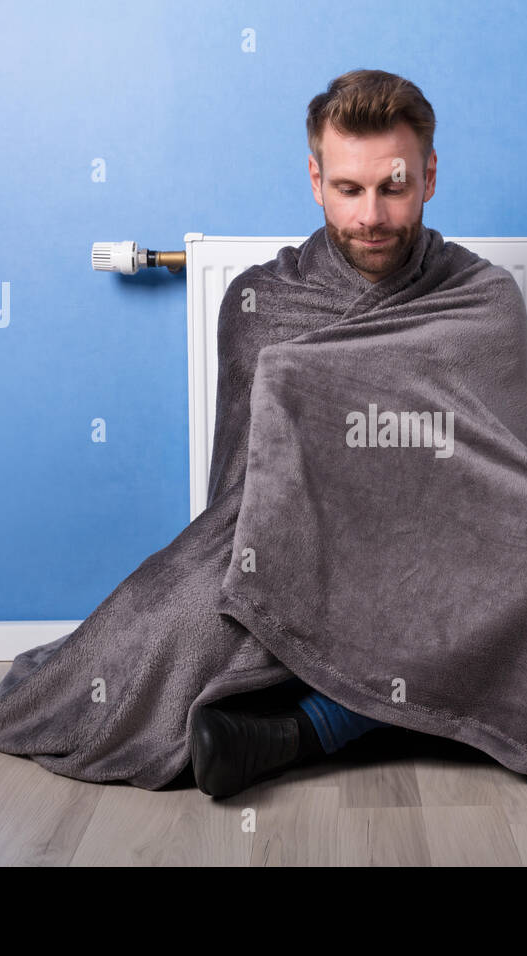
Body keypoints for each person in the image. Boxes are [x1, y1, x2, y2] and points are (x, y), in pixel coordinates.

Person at [189, 69, 440, 798]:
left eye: (393, 187)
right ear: (315, 178)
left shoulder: (480, 298)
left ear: (428, 177)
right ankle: (389, 712)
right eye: (349, 189)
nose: (371, 215)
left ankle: (300, 733)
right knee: (165, 630)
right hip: (303, 542)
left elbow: (498, 480)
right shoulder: (260, 303)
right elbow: (240, 494)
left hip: (448, 550)